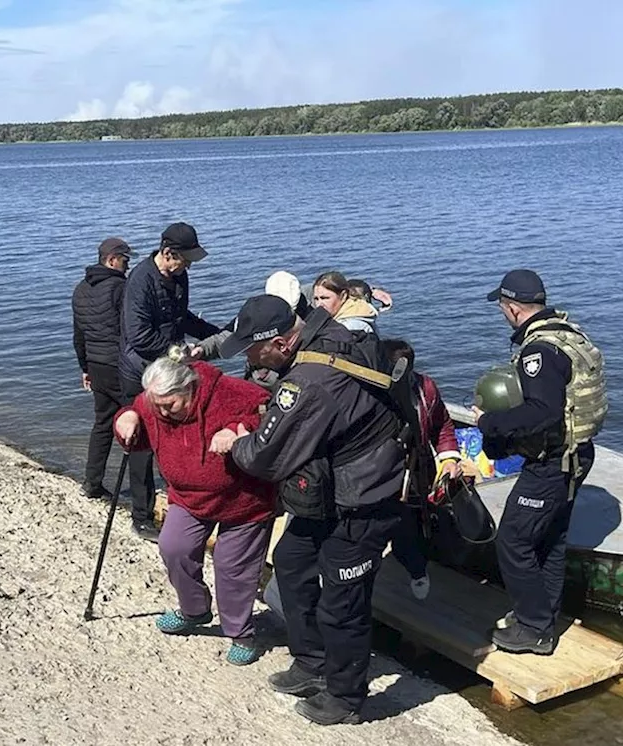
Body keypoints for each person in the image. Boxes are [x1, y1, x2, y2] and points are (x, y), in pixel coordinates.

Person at [209, 294, 408, 726]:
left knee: (344, 601)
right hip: (332, 485)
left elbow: (264, 457)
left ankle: (346, 697)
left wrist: (234, 443)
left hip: (363, 498)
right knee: (291, 560)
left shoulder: (307, 380)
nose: (250, 360)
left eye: (253, 350)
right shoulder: (331, 333)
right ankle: (312, 661)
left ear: (281, 343)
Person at [473, 269, 607, 655]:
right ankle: (541, 617)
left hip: (553, 462)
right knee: (549, 540)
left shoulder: (538, 351)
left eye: (501, 306)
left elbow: (543, 412)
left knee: (513, 540)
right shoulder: (567, 333)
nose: (502, 313)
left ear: (513, 307)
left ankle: (533, 628)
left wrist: (490, 422)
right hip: (577, 455)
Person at [113, 356, 276, 665]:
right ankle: (194, 610)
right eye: (155, 405)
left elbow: (271, 413)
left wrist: (236, 432)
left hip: (244, 499)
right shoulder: (152, 401)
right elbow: (137, 425)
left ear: (189, 388)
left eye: (170, 405)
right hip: (188, 497)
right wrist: (128, 417)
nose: (161, 412)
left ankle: (240, 633)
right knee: (174, 547)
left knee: (231, 568)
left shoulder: (231, 392)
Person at [117, 222, 221, 541]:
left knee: (177, 433)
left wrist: (214, 333)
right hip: (140, 370)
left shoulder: (179, 276)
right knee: (142, 444)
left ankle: (178, 501)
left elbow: (182, 317)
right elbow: (139, 335)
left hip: (168, 367)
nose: (187, 267)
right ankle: (141, 516)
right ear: (167, 253)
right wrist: (178, 352)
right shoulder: (140, 280)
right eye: (184, 260)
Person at [378, 339, 465, 600]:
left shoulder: (425, 388)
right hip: (376, 472)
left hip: (415, 470)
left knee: (411, 525)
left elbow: (442, 424)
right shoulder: (367, 392)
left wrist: (449, 458)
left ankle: (416, 569)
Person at [72, 237, 134, 498]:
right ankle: (144, 493)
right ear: (112, 260)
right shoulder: (120, 287)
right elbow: (129, 330)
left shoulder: (80, 289)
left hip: (96, 366)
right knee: (137, 422)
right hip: (118, 366)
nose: (128, 266)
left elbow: (78, 335)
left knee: (102, 424)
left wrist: (84, 367)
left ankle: (92, 482)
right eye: (125, 260)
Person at [312, 271, 378, 335]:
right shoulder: (360, 307)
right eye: (316, 299)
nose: (319, 305)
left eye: (325, 298)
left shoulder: (350, 328)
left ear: (343, 296)